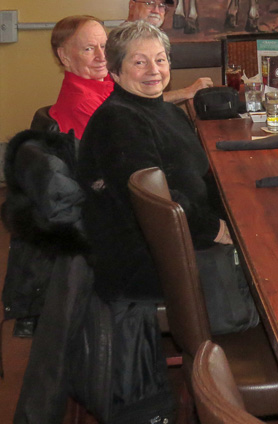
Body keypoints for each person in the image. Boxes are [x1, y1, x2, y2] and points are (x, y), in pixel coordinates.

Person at [78, 21, 231, 302]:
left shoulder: (167, 112)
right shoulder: (118, 121)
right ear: (115, 72)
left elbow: (198, 175)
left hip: (182, 233)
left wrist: (235, 211)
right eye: (139, 62)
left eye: (160, 60)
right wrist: (217, 229)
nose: (154, 70)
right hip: (151, 256)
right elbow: (154, 202)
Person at [127, 0, 213, 102]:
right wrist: (188, 91)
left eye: (161, 5)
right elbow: (139, 102)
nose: (156, 10)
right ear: (132, 6)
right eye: (149, 3)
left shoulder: (156, 40)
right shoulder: (121, 43)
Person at [49, 15, 115, 139]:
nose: (102, 57)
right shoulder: (84, 104)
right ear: (64, 56)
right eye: (88, 49)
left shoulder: (107, 82)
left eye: (103, 46)